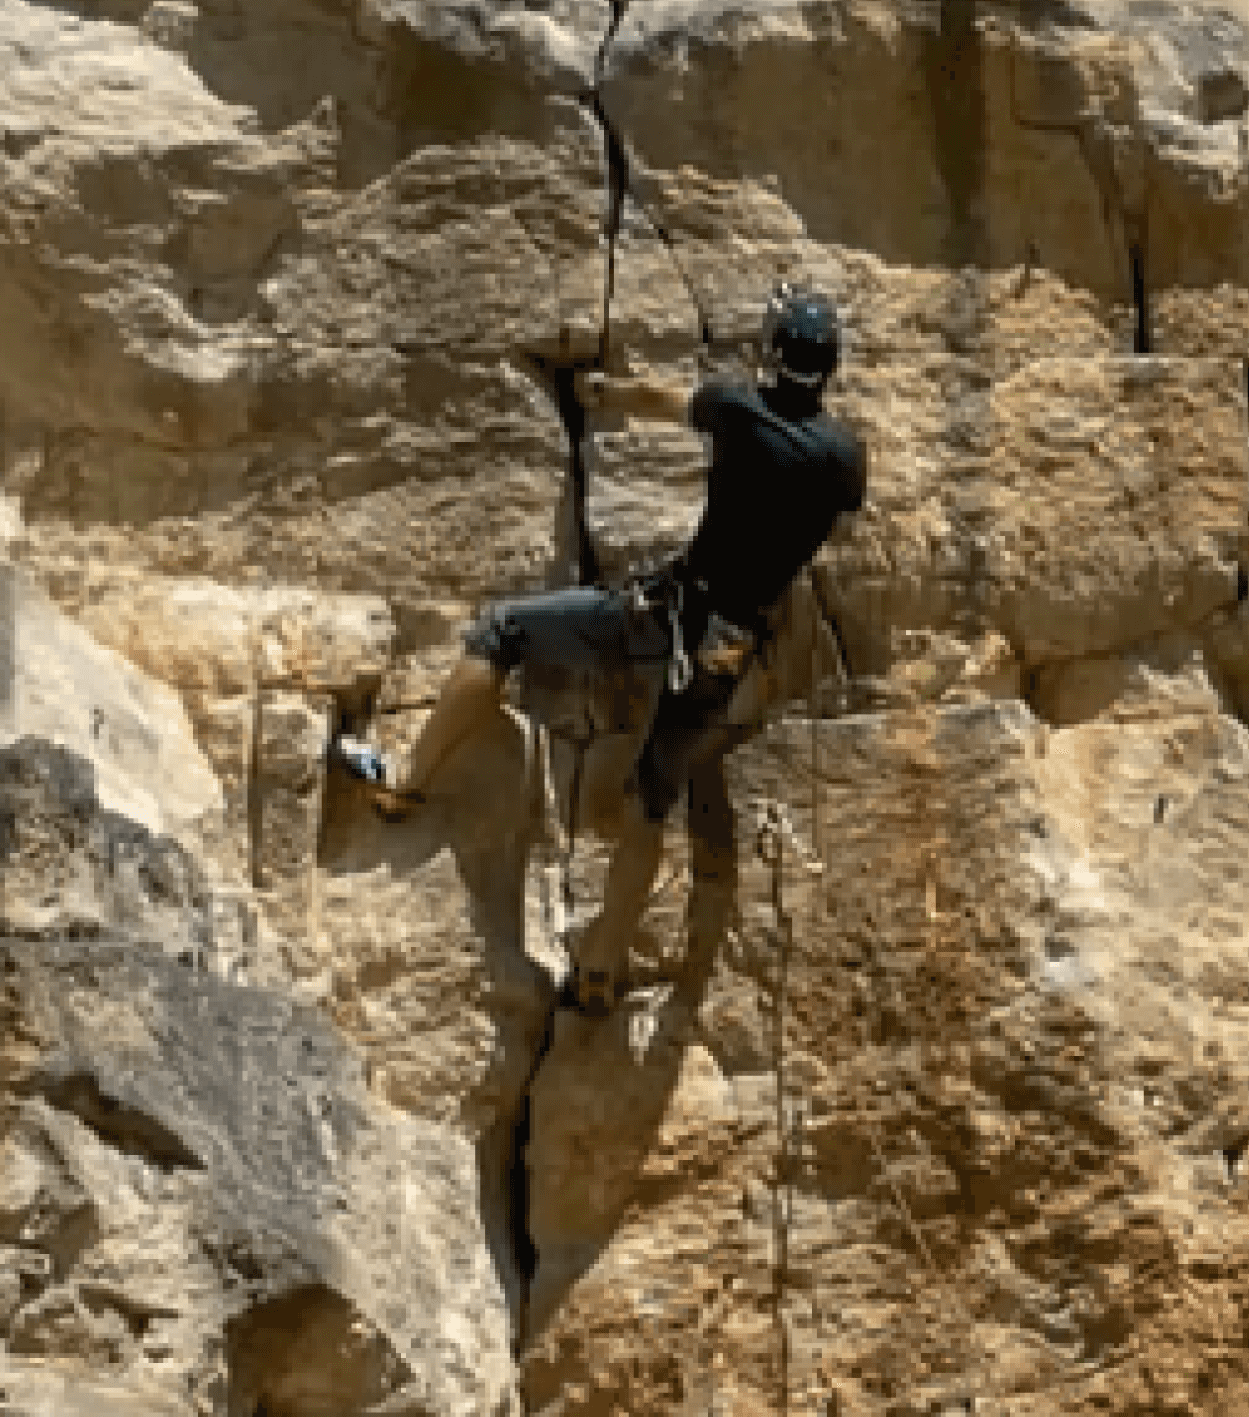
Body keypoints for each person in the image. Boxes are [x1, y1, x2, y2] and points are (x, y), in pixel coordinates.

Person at [331, 284, 867, 999]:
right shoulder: (843, 456)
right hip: (726, 653)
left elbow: (662, 399)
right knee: (651, 797)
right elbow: (838, 527)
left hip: (662, 617)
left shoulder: (741, 410)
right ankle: (598, 970)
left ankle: (406, 783)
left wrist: (601, 391)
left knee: (503, 630)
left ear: (773, 352)